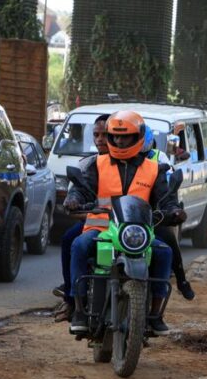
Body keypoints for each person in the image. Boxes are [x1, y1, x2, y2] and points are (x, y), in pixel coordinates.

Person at [64, 111, 182, 336]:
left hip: (137, 231)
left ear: (137, 137)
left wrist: (174, 211)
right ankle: (78, 309)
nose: (119, 141)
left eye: (125, 136)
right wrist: (74, 199)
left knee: (165, 252)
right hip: (101, 228)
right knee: (78, 245)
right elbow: (82, 189)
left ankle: (156, 314)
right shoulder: (96, 164)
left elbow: (165, 199)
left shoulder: (154, 169)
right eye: (115, 136)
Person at [53, 114, 110, 322]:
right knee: (71, 240)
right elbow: (80, 189)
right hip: (98, 222)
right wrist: (73, 200)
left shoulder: (138, 163)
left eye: (105, 135)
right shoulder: (91, 163)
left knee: (163, 248)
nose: (100, 139)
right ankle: (73, 301)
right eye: (96, 135)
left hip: (129, 227)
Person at [142, 126, 194, 300]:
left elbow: (167, 185)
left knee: (169, 242)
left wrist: (170, 209)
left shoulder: (159, 159)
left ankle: (181, 281)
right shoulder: (117, 161)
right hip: (122, 216)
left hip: (152, 212)